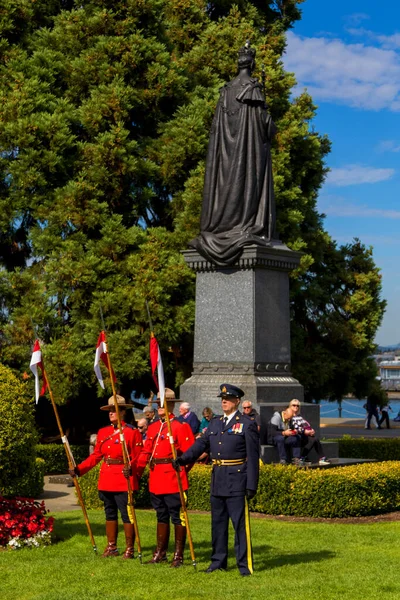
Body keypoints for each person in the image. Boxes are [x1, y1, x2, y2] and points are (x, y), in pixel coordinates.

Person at [189, 42, 278, 266]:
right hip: (248, 156)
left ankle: (224, 224)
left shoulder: (225, 91)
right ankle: (242, 224)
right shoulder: (253, 90)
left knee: (227, 184)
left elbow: (218, 132)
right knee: (247, 185)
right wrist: (268, 117)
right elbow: (265, 129)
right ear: (252, 63)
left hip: (225, 160)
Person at [174, 383, 260, 577]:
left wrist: (251, 484)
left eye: (228, 399)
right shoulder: (214, 423)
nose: (224, 401)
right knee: (218, 524)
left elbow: (253, 457)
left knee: (239, 526)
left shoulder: (246, 424)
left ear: (237, 401)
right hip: (218, 479)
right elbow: (200, 445)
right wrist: (182, 459)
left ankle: (244, 565)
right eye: (222, 399)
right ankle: (218, 561)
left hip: (237, 480)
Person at [68, 395, 143, 558]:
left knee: (126, 514)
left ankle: (130, 548)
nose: (110, 413)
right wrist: (79, 469)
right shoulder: (103, 432)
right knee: (109, 513)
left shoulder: (132, 432)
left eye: (113, 410)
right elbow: (96, 456)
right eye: (109, 410)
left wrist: (132, 470)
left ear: (122, 412)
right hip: (107, 478)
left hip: (124, 479)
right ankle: (112, 547)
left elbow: (139, 457)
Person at [136, 388, 195, 567]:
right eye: (158, 405)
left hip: (172, 477)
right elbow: (146, 451)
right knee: (161, 515)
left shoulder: (179, 426)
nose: (160, 408)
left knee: (176, 516)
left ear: (171, 405)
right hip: (156, 477)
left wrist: (183, 470)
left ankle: (178, 555)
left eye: (163, 404)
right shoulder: (153, 427)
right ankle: (160, 552)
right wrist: (136, 470)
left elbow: (191, 453)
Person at [288, 399, 330, 465]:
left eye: (297, 405)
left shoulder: (299, 416)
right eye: (294, 405)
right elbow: (294, 427)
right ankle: (304, 457)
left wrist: (311, 430)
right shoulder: (289, 416)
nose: (296, 407)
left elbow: (306, 424)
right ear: (290, 406)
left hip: (303, 435)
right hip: (296, 436)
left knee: (314, 439)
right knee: (313, 439)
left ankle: (320, 457)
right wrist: (305, 431)